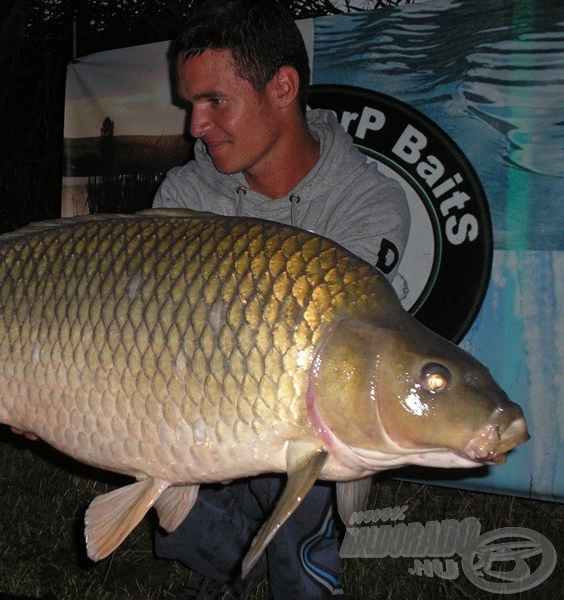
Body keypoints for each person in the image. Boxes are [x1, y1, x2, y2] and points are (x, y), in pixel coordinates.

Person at [151, 1, 410, 598]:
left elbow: (337, 347)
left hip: (297, 395)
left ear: (282, 87)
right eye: (192, 104)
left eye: (215, 101)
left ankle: (298, 565)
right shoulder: (186, 190)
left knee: (317, 420)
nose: (195, 126)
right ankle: (230, 559)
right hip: (199, 396)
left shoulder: (367, 203)